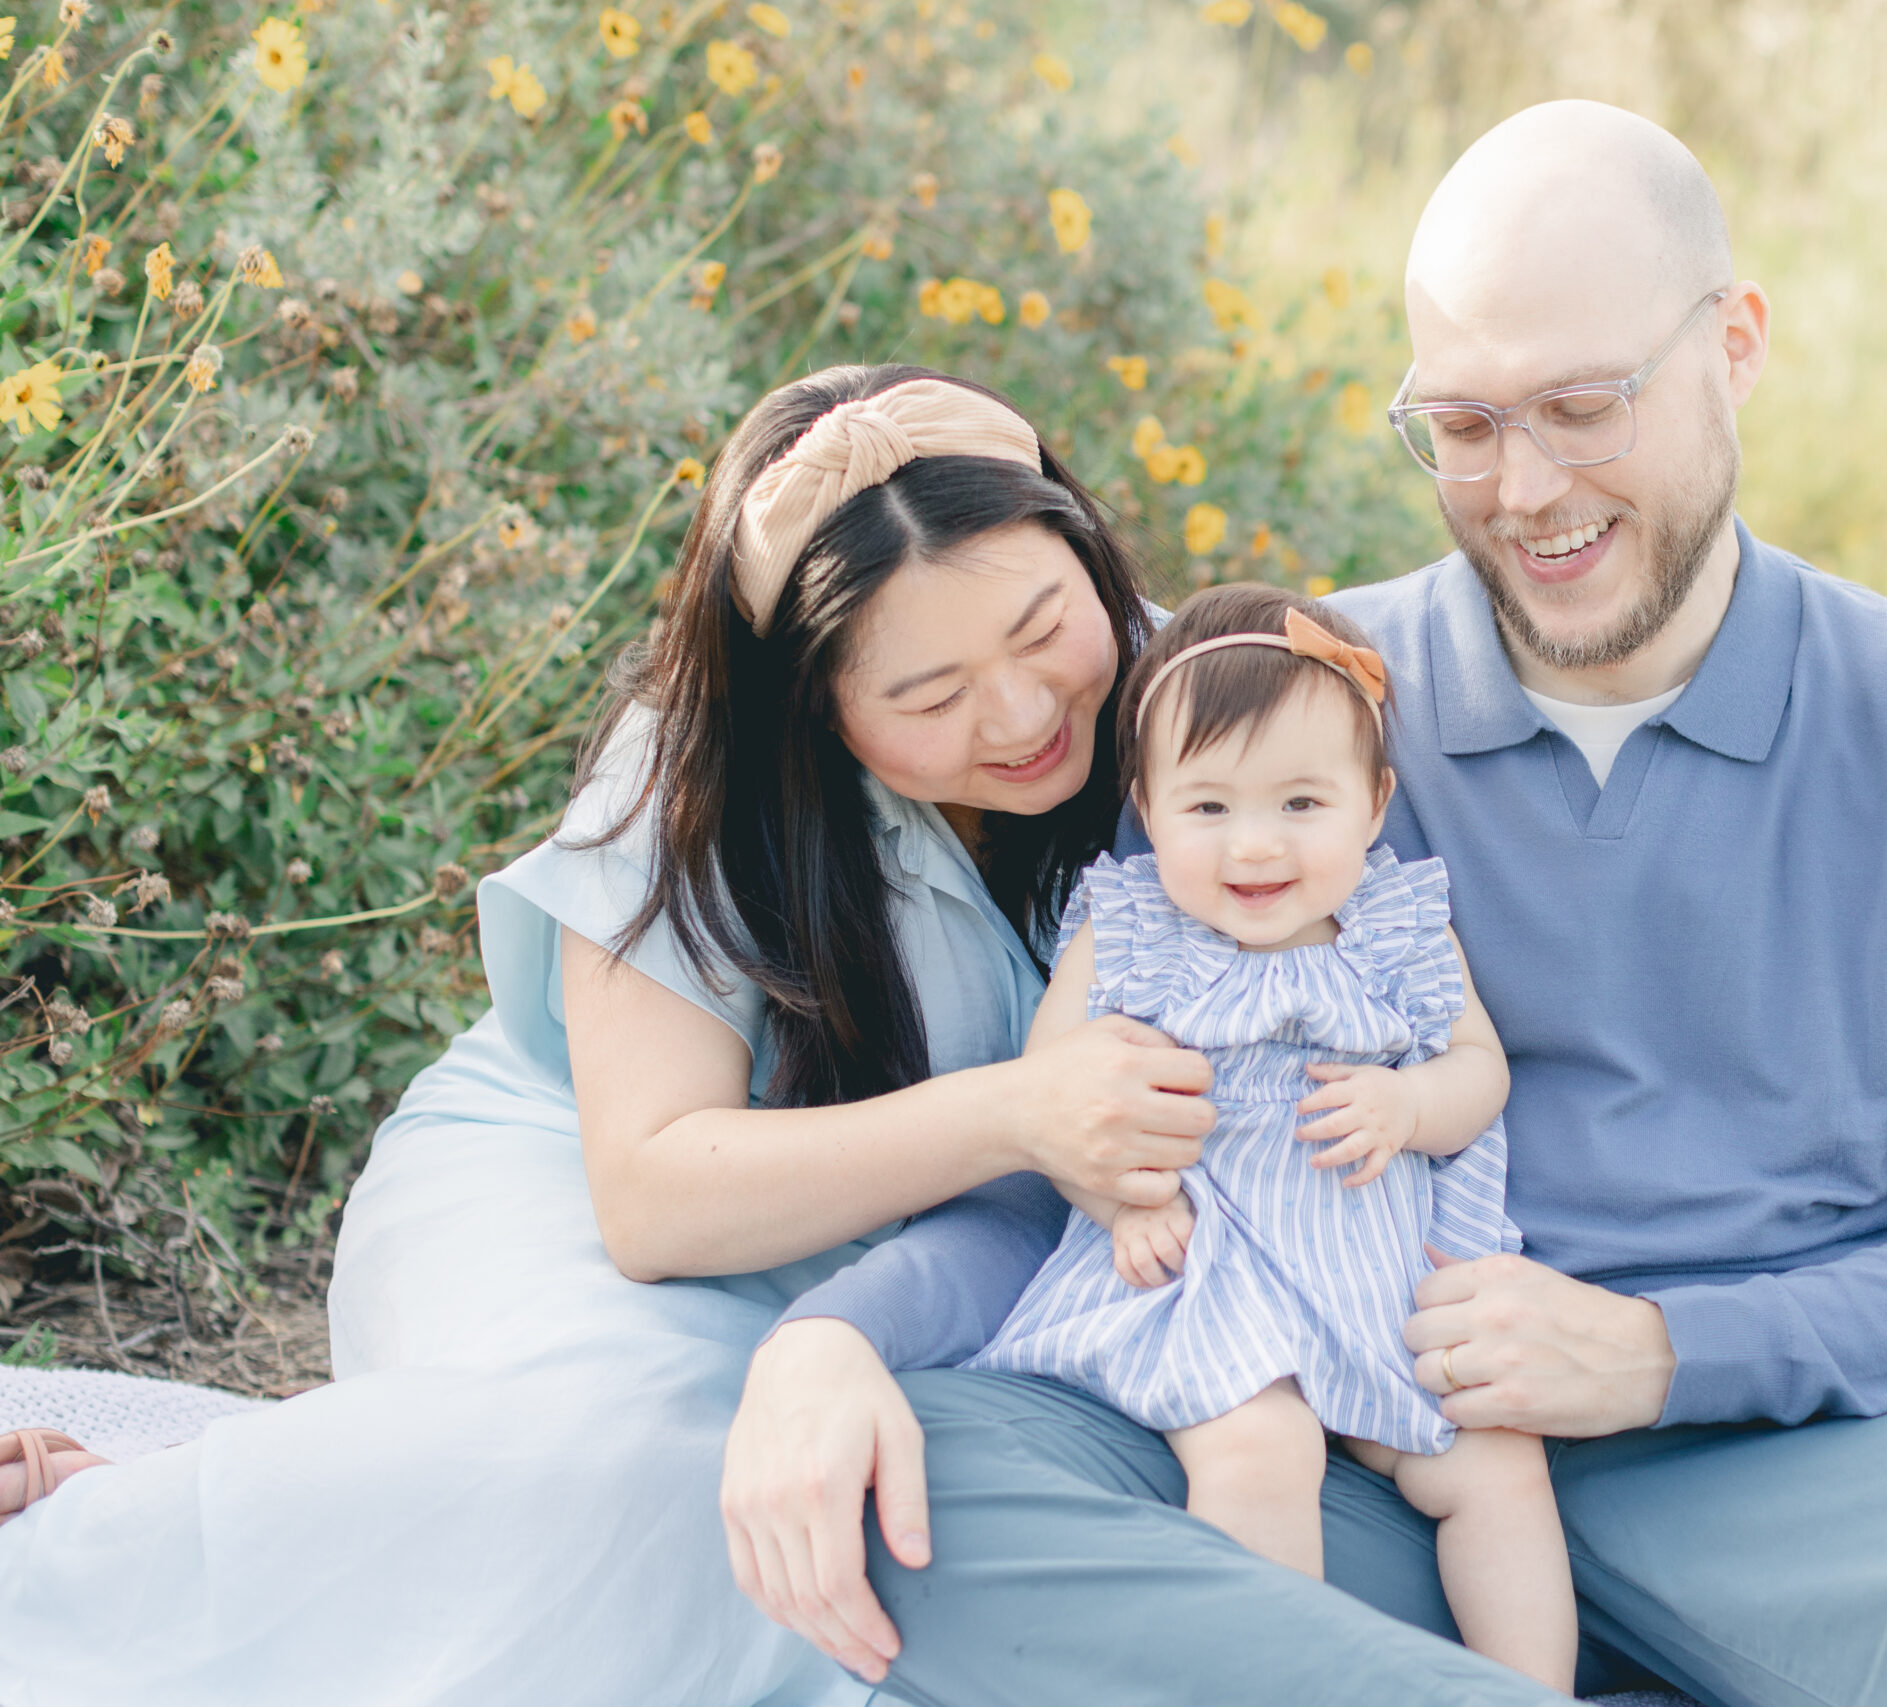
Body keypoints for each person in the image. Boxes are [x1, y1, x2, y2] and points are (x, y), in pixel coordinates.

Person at [720, 104, 1887, 1706]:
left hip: (1823, 1458)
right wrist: (831, 1338)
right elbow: (1095, 1133)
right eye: (1464, 424)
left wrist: (1659, 1353)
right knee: (928, 1501)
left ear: (1736, 345)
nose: (1527, 484)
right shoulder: (1302, 713)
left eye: (1581, 403)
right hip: (1368, 1438)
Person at [0, 366, 1217, 1707]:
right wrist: (1019, 1109)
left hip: (901, 1265)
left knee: (873, 1524)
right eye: (928, 699)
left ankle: (291, 1514)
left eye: (1048, 626)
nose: (1024, 713)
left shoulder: (1210, 702)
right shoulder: (700, 767)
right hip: (576, 1197)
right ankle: (124, 1545)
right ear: (814, 702)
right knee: (656, 1473)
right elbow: (651, 1193)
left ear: (1087, 545)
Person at [963, 585, 1575, 1692]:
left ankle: (1528, 1691)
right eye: (1208, 809)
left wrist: (1410, 1106)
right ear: (1147, 809)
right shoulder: (1130, 930)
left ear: (1373, 803)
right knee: (1261, 1446)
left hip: (1371, 1275)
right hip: (1205, 1268)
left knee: (1496, 1460)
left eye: (1301, 803)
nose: (1254, 846)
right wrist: (1126, 1194)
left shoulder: (1395, 925)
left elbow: (1478, 1071)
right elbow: (1049, 1095)